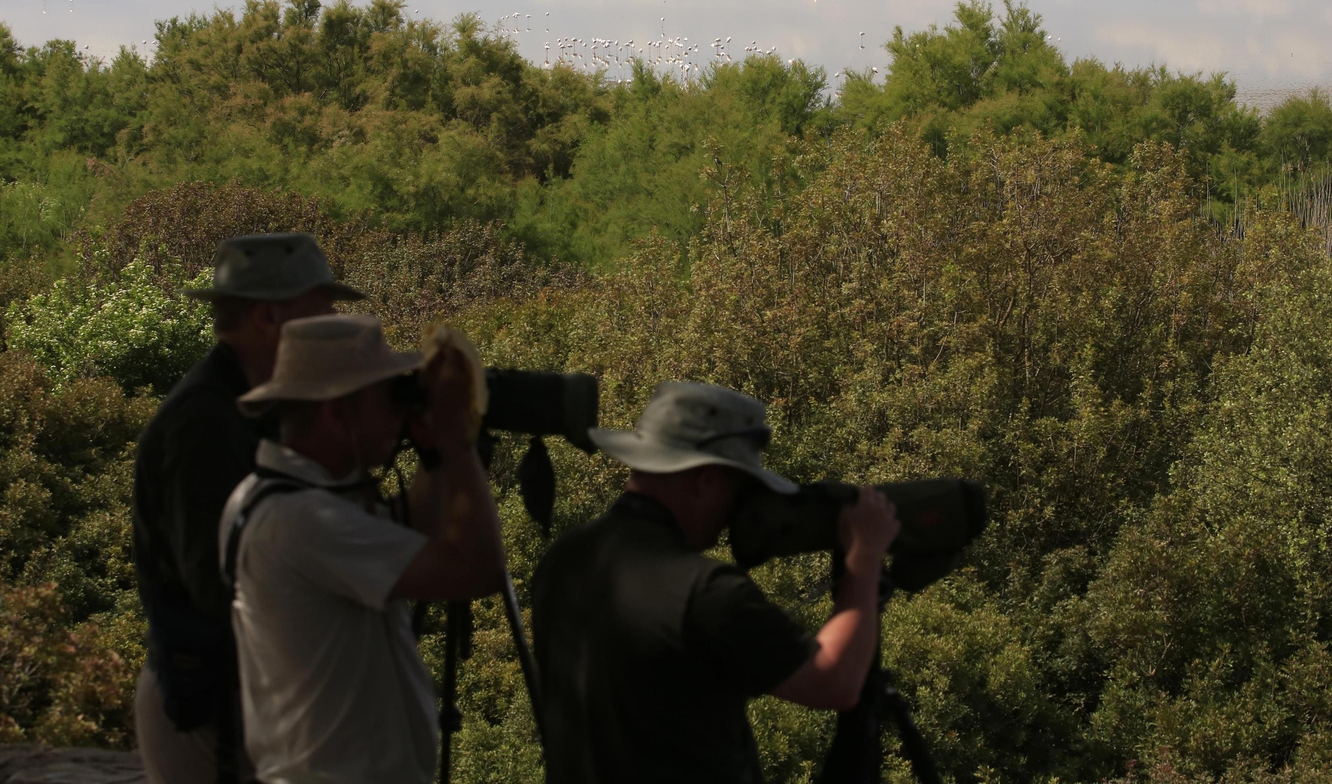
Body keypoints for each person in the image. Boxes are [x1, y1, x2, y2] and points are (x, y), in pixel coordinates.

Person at [532, 381, 901, 784]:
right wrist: (864, 556)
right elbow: (835, 682)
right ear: (706, 479)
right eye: (739, 485)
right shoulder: (705, 591)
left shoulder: (564, 559)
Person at [219, 314, 506, 784]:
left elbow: (409, 528)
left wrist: (433, 453)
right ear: (338, 413)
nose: (398, 414)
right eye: (388, 399)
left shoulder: (269, 497)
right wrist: (457, 440)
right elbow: (477, 570)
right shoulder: (303, 521)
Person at [132, 233, 364, 784]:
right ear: (269, 316)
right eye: (321, 308)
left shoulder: (245, 407)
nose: (333, 319)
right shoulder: (205, 426)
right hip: (215, 714)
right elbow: (221, 586)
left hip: (241, 703)